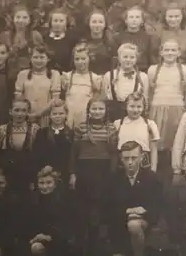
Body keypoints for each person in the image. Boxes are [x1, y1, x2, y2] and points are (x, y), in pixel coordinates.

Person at [70, 96, 117, 255]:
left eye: (100, 109)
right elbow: (74, 153)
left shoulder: (111, 128)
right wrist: (73, 174)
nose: (97, 112)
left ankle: (96, 247)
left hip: (103, 173)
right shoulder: (81, 127)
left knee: (98, 213)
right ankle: (82, 247)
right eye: (94, 109)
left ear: (106, 111)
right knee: (83, 211)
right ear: (88, 111)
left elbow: (113, 155)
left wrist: (112, 174)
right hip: (84, 172)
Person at [106, 141, 162, 256]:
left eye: (134, 158)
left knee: (134, 225)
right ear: (121, 158)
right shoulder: (113, 179)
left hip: (144, 222)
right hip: (118, 224)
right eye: (126, 158)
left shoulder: (151, 178)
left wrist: (144, 211)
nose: (130, 162)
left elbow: (158, 205)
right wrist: (127, 211)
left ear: (141, 157)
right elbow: (106, 207)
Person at [147, 39, 186, 179]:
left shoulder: (185, 70)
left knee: (174, 145)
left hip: (176, 109)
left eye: (173, 50)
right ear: (161, 52)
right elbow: (150, 93)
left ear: (179, 52)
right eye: (166, 50)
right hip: (156, 108)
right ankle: (155, 174)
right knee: (156, 144)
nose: (170, 53)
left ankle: (174, 175)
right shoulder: (153, 69)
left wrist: (180, 109)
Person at [28, 166, 76, 256]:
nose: (45, 186)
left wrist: (49, 237)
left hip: (59, 241)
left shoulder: (64, 202)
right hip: (36, 240)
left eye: (49, 182)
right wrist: (36, 237)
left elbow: (67, 228)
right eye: (41, 183)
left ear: (55, 184)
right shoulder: (33, 202)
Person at [0, 97, 39, 197]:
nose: (20, 114)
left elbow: (37, 154)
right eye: (16, 110)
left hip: (28, 173)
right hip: (8, 173)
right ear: (10, 112)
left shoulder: (34, 129)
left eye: (24, 110)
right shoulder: (2, 130)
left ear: (28, 112)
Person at [14, 45, 61, 128]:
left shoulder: (54, 74)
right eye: (35, 57)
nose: (38, 60)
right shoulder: (23, 74)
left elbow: (55, 99)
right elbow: (18, 96)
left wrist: (39, 114)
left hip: (46, 117)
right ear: (30, 58)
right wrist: (26, 113)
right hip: (25, 116)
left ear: (48, 59)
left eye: (42, 57)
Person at [101, 43, 149, 122]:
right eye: (125, 57)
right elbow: (105, 96)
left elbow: (145, 99)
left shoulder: (143, 77)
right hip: (114, 114)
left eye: (132, 57)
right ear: (119, 58)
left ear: (136, 59)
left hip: (134, 113)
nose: (128, 60)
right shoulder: (109, 75)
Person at [115, 92, 160, 172]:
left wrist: (153, 170)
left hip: (143, 163)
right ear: (126, 106)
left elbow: (154, 150)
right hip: (123, 163)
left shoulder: (150, 125)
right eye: (132, 106)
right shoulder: (118, 124)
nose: (135, 110)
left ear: (143, 108)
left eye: (139, 107)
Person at [32, 99, 72, 185]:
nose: (58, 116)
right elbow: (37, 153)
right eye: (54, 114)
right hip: (44, 173)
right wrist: (45, 168)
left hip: (63, 174)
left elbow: (69, 155)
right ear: (49, 115)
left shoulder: (70, 133)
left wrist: (55, 168)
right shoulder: (42, 132)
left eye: (61, 113)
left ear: (66, 115)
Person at [61, 43, 102, 128]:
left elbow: (96, 99)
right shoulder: (67, 77)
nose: (80, 62)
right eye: (77, 59)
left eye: (83, 59)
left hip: (85, 119)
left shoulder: (95, 78)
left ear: (89, 59)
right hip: (69, 117)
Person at [111, 5, 159, 72]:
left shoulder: (148, 38)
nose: (134, 20)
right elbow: (115, 59)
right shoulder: (118, 37)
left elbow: (151, 58)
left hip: (142, 71)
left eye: (137, 17)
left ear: (142, 21)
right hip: (123, 72)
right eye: (131, 17)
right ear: (126, 20)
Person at [0, 4, 44, 74]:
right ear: (13, 19)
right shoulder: (4, 36)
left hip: (31, 73)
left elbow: (42, 56)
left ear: (29, 20)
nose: (21, 20)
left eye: (24, 17)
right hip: (8, 72)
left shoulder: (35, 35)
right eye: (18, 17)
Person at [43, 7, 80, 73]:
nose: (58, 23)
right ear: (51, 22)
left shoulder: (73, 39)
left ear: (66, 22)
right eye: (55, 21)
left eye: (61, 21)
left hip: (66, 75)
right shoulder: (44, 38)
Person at [82, 8, 114, 75]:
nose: (97, 25)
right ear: (88, 23)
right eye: (94, 22)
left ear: (105, 24)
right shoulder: (82, 43)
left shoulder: (111, 44)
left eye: (100, 22)